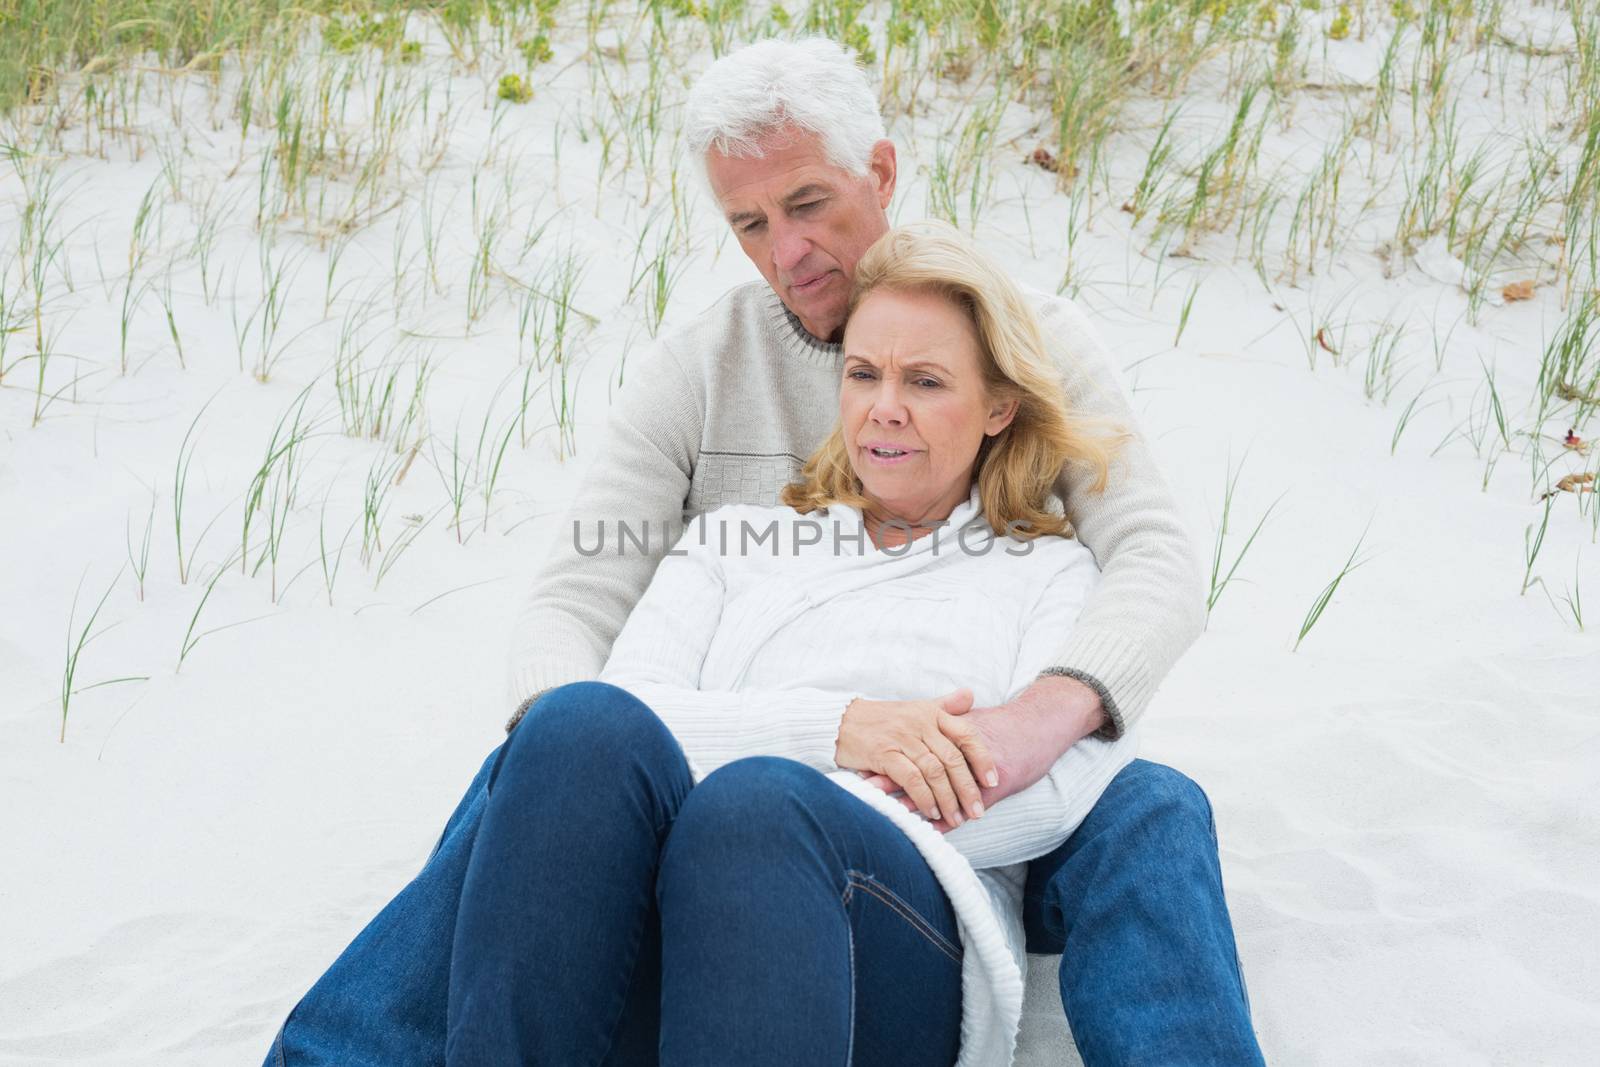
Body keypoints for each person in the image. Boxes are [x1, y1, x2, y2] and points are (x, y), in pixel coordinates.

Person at [266, 38, 1264, 1067]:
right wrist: (612, 784)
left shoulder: (1031, 356)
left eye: (808, 204)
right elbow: (576, 600)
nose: (786, 250)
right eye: (749, 223)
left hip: (946, 805)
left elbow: (1150, 556)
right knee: (565, 742)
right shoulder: (707, 398)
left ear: (878, 173)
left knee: (1148, 804)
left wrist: (1027, 723)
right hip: (705, 792)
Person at [446, 222, 1134, 1065]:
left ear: (999, 407)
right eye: (863, 373)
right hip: (673, 911)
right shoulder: (734, 541)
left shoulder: (1051, 573)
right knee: (573, 723)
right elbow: (634, 725)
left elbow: (1052, 796)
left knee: (757, 808)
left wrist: (796, 798)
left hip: (893, 941)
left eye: (924, 380)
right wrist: (839, 730)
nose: (885, 406)